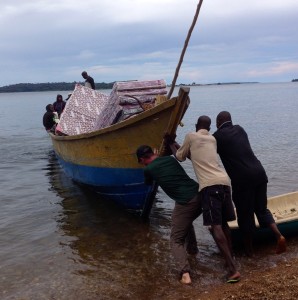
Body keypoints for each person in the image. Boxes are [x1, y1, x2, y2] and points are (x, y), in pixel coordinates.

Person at [168, 116, 240, 283]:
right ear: (208, 127)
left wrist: (171, 142)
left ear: (196, 125)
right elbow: (195, 156)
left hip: (209, 187)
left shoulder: (191, 136)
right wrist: (177, 145)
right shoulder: (212, 139)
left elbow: (179, 156)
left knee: (215, 227)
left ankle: (232, 269)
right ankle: (230, 260)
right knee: (224, 225)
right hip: (224, 183)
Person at [213, 111, 286, 256]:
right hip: (259, 173)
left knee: (244, 214)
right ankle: (279, 235)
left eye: (216, 122)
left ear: (219, 121)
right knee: (262, 209)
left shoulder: (217, 137)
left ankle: (250, 251)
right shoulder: (240, 129)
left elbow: (206, 152)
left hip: (243, 180)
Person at [136, 145, 202, 285]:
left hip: (186, 201)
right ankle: (193, 250)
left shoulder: (148, 169)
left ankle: (185, 274)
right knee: (186, 222)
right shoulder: (170, 159)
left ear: (142, 159)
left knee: (175, 239)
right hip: (199, 193)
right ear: (153, 152)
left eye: (141, 161)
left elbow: (148, 183)